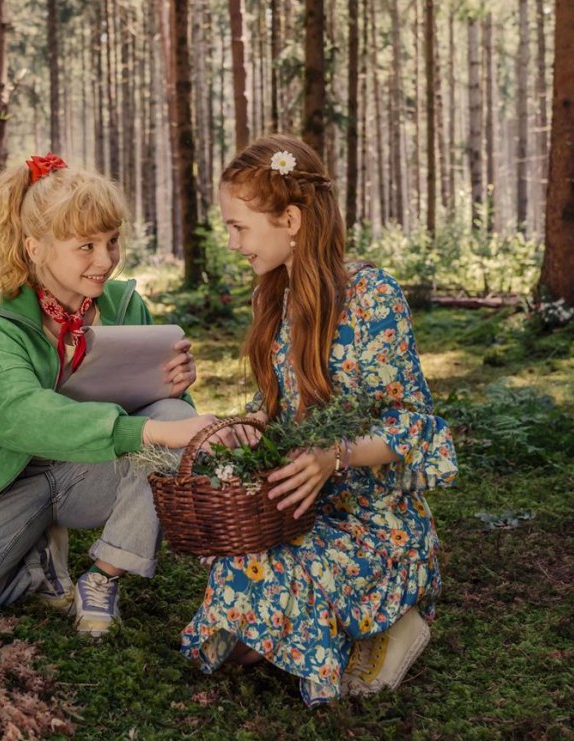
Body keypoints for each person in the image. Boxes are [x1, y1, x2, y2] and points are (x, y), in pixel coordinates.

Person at [179, 135, 458, 704]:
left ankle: (393, 623)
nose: (232, 243)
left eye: (239, 226)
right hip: (305, 517)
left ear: (291, 219)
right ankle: (321, 631)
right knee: (237, 607)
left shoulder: (371, 295)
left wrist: (336, 457)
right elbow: (284, 411)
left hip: (380, 527)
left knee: (265, 585)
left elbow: (417, 425)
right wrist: (246, 429)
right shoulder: (273, 297)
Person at [0, 153, 218, 637]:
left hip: (96, 474)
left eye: (111, 242)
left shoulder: (126, 304)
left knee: (171, 412)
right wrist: (146, 427)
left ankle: (103, 577)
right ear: (36, 247)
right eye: (85, 246)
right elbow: (16, 415)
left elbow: (169, 421)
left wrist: (174, 389)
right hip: (16, 478)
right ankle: (34, 568)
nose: (105, 260)